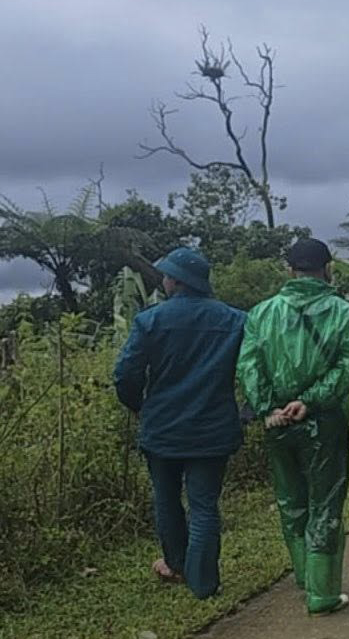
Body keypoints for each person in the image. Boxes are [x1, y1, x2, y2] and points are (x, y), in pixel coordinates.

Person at [237, 238, 349, 616]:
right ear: (328, 269)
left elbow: (248, 366)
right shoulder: (344, 312)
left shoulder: (260, 313)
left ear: (289, 271)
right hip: (324, 422)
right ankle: (322, 592)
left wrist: (266, 408)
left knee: (291, 502)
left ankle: (306, 577)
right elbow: (348, 365)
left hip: (277, 423)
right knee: (324, 503)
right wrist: (309, 400)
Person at [114, 247, 246, 599]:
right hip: (212, 428)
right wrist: (248, 411)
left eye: (168, 276)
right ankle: (203, 583)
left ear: (177, 281)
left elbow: (125, 373)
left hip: (163, 429)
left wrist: (138, 406)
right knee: (204, 505)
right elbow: (256, 371)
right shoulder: (235, 320)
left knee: (167, 499)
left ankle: (175, 565)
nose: (164, 280)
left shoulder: (150, 320)